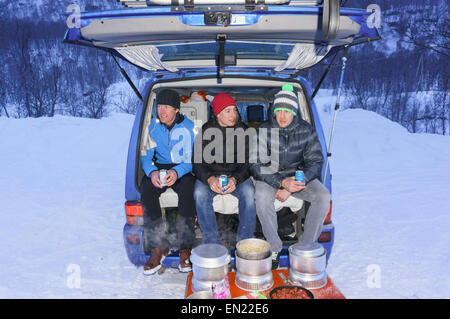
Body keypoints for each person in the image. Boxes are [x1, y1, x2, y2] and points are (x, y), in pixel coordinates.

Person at [250, 84, 331, 268]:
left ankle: (306, 246)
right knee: (261, 195)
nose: (283, 116)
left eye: (287, 111)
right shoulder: (263, 130)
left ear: (294, 112)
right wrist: (281, 183)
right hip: (271, 178)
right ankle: (274, 247)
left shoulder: (307, 131)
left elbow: (315, 162)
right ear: (274, 111)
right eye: (279, 111)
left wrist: (296, 181)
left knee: (323, 195)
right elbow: (255, 165)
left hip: (298, 179)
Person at [140, 89, 196, 275]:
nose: (162, 111)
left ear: (176, 109)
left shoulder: (188, 127)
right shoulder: (153, 128)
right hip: (160, 167)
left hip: (182, 168)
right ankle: (159, 246)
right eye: (160, 106)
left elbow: (191, 160)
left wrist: (176, 171)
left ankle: (185, 248)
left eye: (167, 107)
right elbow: (146, 158)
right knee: (146, 187)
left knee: (188, 189)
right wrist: (152, 172)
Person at [193, 92, 256, 246]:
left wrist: (235, 179)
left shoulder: (244, 131)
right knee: (199, 193)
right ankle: (211, 242)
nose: (233, 115)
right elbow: (197, 162)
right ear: (218, 114)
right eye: (228, 111)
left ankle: (245, 241)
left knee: (249, 193)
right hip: (212, 175)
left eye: (234, 110)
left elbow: (249, 163)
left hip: (237, 176)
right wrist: (209, 179)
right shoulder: (206, 131)